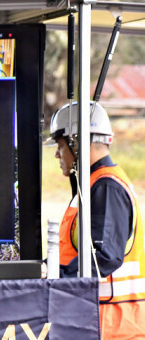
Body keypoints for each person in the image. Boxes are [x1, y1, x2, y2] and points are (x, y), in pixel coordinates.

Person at [49, 102, 145, 339]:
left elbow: (104, 256)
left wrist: (54, 277)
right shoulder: (94, 185)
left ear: (76, 142)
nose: (56, 154)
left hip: (109, 324)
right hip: (94, 320)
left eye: (60, 146)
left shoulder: (106, 188)